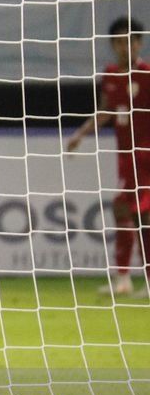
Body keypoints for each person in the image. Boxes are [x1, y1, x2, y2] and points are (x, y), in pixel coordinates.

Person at [68, 15, 150, 297]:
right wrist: (81, 134)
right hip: (126, 159)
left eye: (130, 41)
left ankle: (132, 279)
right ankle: (125, 279)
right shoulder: (112, 75)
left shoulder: (147, 75)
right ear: (113, 46)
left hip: (146, 158)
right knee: (126, 212)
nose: (125, 47)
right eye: (119, 42)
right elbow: (105, 111)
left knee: (137, 214)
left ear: (140, 43)